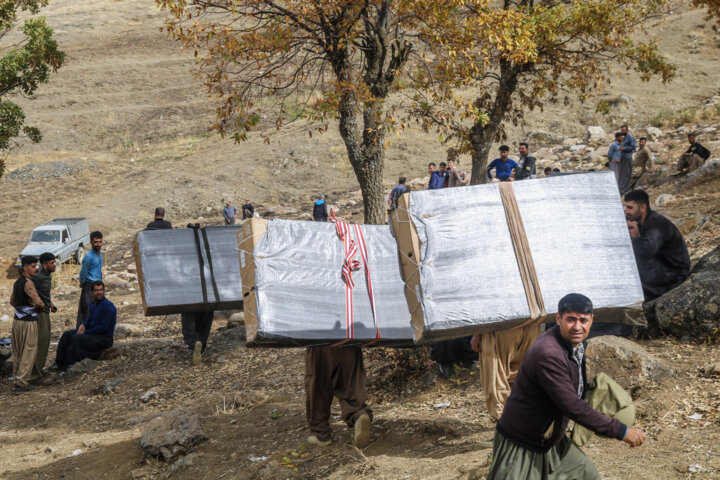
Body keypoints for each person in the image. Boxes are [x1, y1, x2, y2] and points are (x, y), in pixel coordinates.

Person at [487, 293, 646, 480]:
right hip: (522, 445)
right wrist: (621, 431)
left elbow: (573, 388)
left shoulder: (576, 345)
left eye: (583, 320)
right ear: (558, 319)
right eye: (571, 320)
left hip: (552, 442)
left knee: (587, 476)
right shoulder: (548, 353)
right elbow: (571, 406)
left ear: (591, 320)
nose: (577, 327)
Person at [624, 190, 691, 301]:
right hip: (665, 267)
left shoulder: (655, 223)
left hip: (675, 274)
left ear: (643, 208)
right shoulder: (645, 222)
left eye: (630, 208)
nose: (626, 211)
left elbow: (647, 250)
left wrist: (633, 240)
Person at [471, 322, 542, 420]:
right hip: (532, 322)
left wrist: (477, 332)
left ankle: (505, 418)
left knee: (496, 372)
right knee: (524, 371)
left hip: (501, 325)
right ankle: (522, 412)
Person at [305, 346, 372, 448]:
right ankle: (358, 414)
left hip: (320, 342)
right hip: (349, 341)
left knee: (318, 387)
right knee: (351, 384)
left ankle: (321, 434)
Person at [56, 281, 116, 371]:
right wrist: (83, 324)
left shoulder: (108, 306)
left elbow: (103, 328)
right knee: (67, 335)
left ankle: (68, 365)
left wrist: (85, 332)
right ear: (92, 293)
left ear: (104, 291)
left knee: (77, 338)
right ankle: (59, 363)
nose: (99, 292)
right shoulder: (93, 304)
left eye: (101, 290)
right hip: (93, 334)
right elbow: (90, 320)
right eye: (96, 290)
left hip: (104, 339)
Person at [9, 256, 44, 392]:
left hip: (17, 322)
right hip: (28, 323)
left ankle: (17, 378)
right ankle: (22, 383)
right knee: (28, 351)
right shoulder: (28, 283)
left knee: (18, 351)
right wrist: (39, 308)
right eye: (33, 266)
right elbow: (37, 302)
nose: (36, 268)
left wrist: (21, 309)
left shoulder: (17, 282)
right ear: (25, 268)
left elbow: (12, 301)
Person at [31, 252, 57, 384]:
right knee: (41, 343)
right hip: (39, 314)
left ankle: (38, 371)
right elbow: (30, 292)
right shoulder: (38, 277)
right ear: (45, 264)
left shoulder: (46, 277)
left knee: (45, 341)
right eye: (52, 263)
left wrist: (50, 304)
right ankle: (35, 376)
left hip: (45, 311)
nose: (55, 265)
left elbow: (42, 293)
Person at [77, 231, 103, 328]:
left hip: (98, 286)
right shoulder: (88, 256)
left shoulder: (99, 254)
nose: (98, 244)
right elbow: (83, 273)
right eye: (95, 242)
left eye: (100, 242)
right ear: (91, 242)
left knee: (98, 310)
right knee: (86, 311)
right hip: (89, 286)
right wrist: (83, 284)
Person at [617, 125, 636, 194]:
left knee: (626, 175)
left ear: (627, 130)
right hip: (623, 158)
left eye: (624, 130)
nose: (622, 132)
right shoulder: (624, 138)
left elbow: (634, 147)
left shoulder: (630, 138)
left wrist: (624, 148)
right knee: (623, 174)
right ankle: (624, 190)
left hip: (627, 158)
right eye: (621, 130)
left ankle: (622, 191)